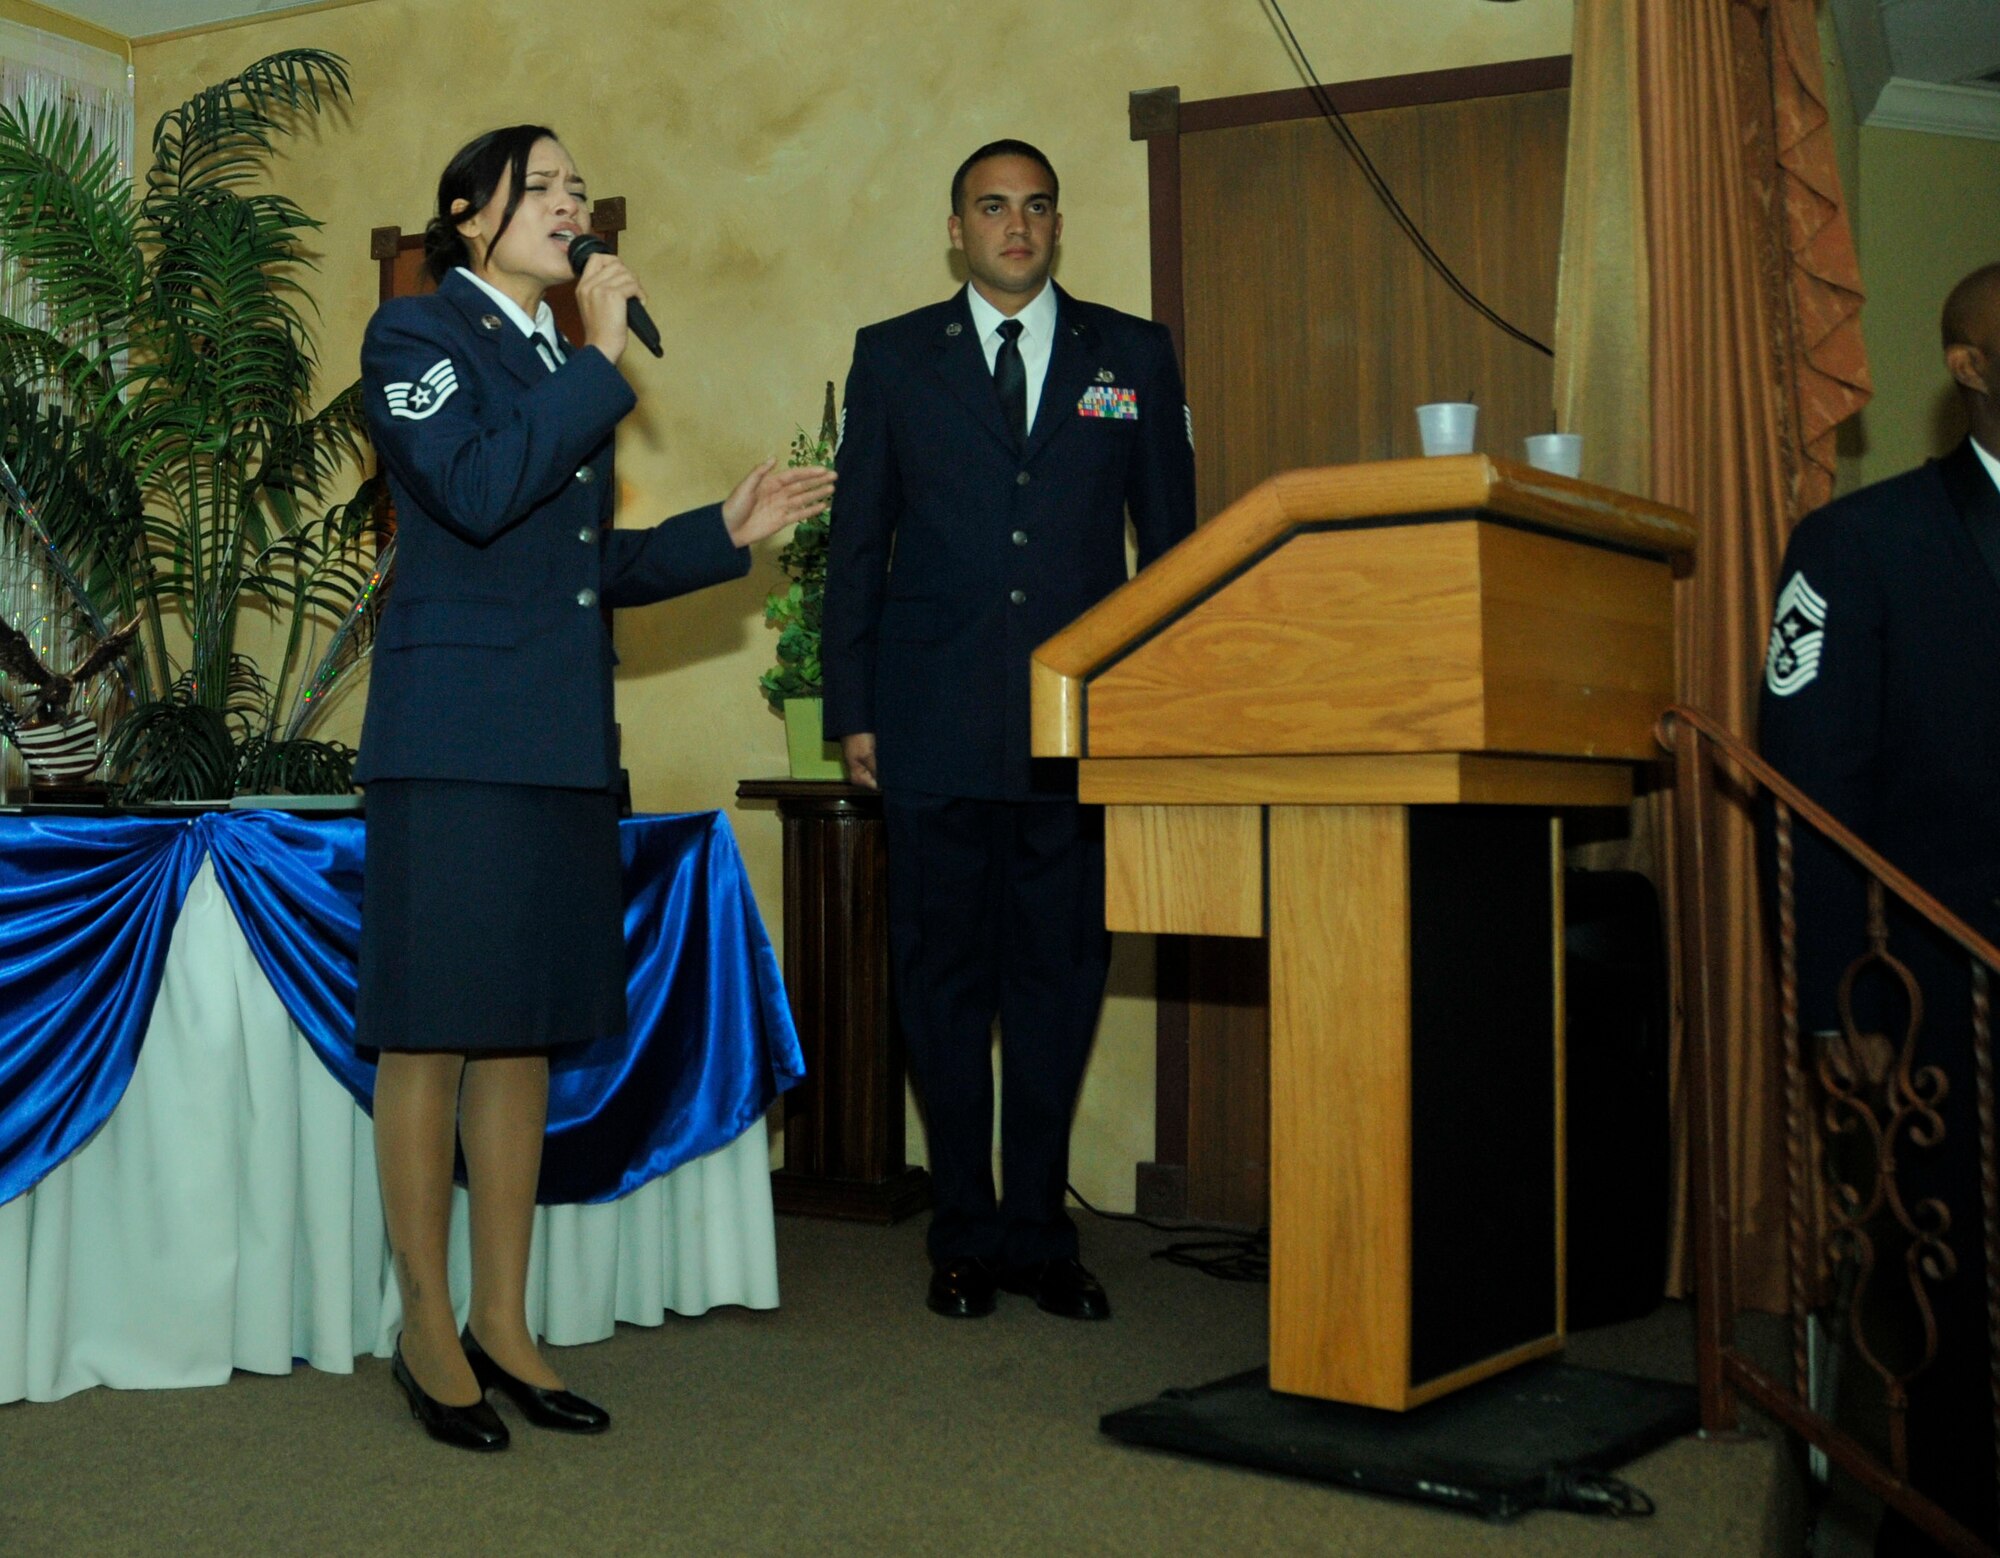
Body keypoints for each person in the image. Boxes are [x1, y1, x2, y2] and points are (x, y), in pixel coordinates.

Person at [357, 124, 833, 1450]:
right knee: (433, 1029)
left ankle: (506, 1320)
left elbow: (579, 569)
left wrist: (716, 536)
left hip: (559, 739)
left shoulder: (548, 362)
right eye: (546, 186)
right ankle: (425, 1322)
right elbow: (475, 487)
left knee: (520, 1031)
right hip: (450, 740)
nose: (574, 205)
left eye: (579, 188)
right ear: (468, 214)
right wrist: (598, 357)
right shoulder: (415, 341)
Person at [822, 139, 1196, 1322]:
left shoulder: (1127, 356)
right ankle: (964, 1233)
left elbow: (1172, 553)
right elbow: (857, 549)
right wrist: (851, 707)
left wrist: (1154, 708)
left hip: (1074, 735)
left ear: (1057, 224)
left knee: (1057, 981)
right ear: (956, 229)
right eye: (992, 208)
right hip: (928, 726)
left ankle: (1040, 1231)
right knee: (940, 985)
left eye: (1035, 207)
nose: (1016, 226)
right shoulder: (893, 359)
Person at [1758, 261, 2000, 1553]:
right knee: (1959, 1320)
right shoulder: (1860, 545)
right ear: (1970, 367)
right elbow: (1808, 792)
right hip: (1945, 1004)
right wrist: (1830, 996)